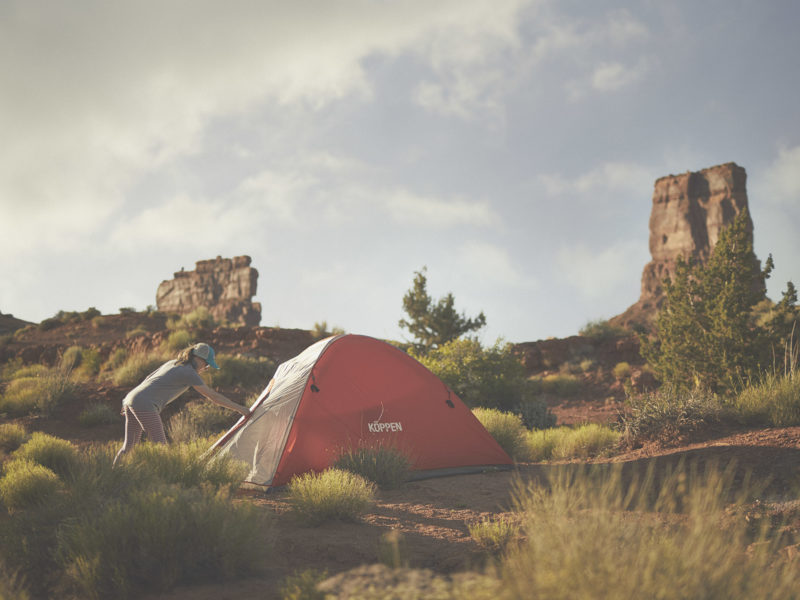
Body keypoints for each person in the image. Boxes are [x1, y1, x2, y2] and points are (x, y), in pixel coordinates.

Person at [113, 342, 249, 464]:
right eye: (206, 364)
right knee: (161, 448)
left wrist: (131, 402)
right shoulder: (189, 373)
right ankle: (162, 483)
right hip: (144, 404)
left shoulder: (173, 363)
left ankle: (115, 472)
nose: (206, 368)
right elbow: (213, 396)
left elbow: (148, 379)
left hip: (131, 399)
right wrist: (240, 409)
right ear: (198, 359)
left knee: (128, 446)